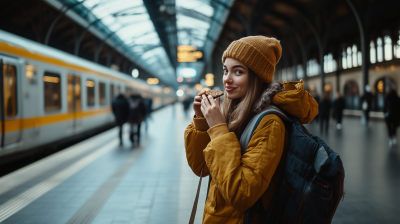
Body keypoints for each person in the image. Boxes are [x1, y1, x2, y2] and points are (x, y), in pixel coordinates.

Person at [184, 36, 318, 223]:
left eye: (238, 72)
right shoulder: (232, 112)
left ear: (257, 77)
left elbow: (242, 194)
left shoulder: (270, 123)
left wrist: (218, 129)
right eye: (225, 70)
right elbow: (201, 167)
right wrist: (201, 122)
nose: (226, 79)